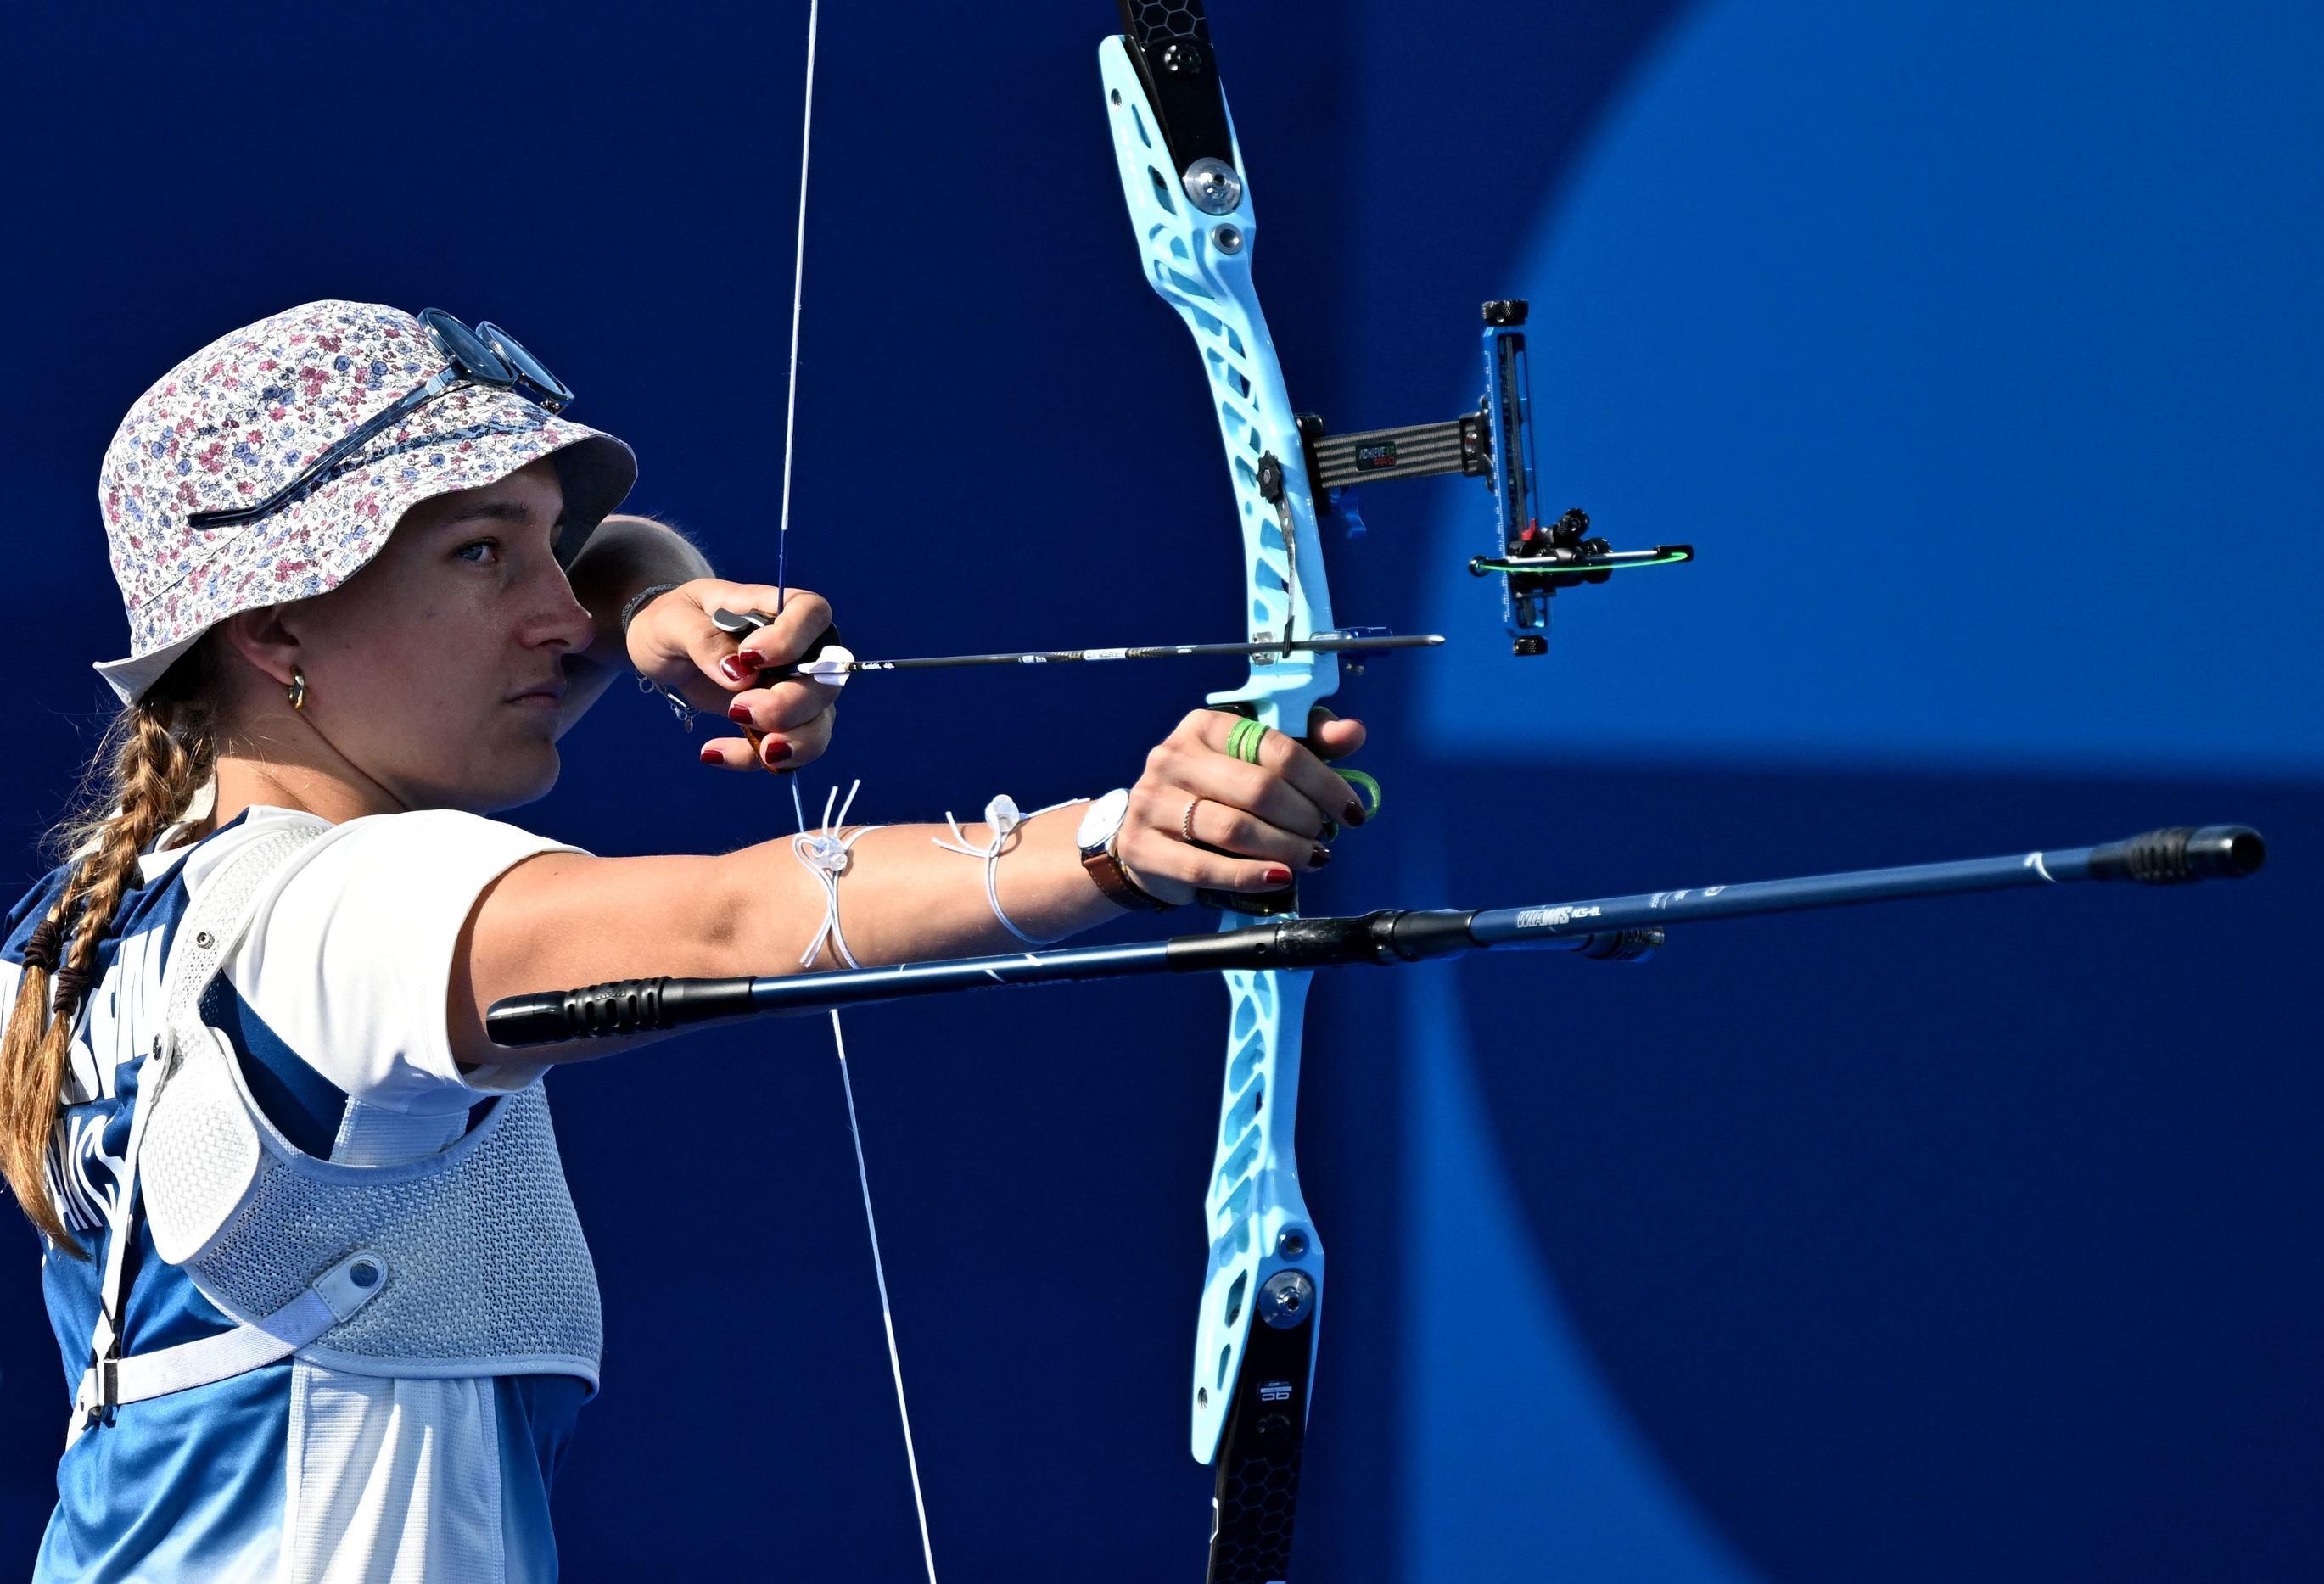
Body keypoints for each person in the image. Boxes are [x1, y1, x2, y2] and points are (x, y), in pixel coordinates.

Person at [0, 300, 1369, 1581]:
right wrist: (1118, 841)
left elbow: (598, 573)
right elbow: (733, 920)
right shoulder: (357, 906)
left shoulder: (71, 931)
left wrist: (653, 599)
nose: (555, 611)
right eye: (483, 554)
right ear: (275, 621)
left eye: (548, 549)